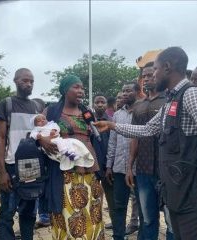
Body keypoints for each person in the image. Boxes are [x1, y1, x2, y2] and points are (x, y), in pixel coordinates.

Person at [95, 47, 197, 240]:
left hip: (195, 190)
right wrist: (112, 125)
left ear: (167, 67)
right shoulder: (172, 99)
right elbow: (148, 130)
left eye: (155, 69)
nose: (151, 76)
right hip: (179, 187)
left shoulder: (191, 94)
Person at [39, 75, 104, 239]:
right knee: (69, 214)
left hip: (90, 170)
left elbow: (96, 137)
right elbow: (37, 132)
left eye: (82, 88)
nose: (81, 91)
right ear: (64, 90)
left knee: (92, 213)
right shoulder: (52, 111)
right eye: (76, 87)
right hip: (65, 172)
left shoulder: (87, 112)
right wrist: (42, 139)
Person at [125, 61, 173, 240]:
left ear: (160, 74)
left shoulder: (170, 100)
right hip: (144, 169)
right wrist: (130, 166)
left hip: (168, 170)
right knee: (147, 219)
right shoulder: (139, 105)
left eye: (151, 74)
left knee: (171, 220)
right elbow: (135, 137)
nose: (146, 78)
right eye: (143, 76)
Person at [0, 68, 44, 240]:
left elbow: (40, 133)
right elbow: (0, 138)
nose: (29, 84)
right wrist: (2, 172)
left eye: (31, 81)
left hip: (32, 167)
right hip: (11, 165)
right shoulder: (6, 103)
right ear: (16, 81)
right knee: (7, 212)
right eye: (25, 80)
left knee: (29, 212)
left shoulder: (36, 106)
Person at [106, 81, 143, 240]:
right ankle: (118, 236)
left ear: (137, 91)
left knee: (143, 207)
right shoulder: (117, 115)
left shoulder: (143, 110)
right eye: (123, 91)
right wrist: (109, 165)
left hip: (140, 169)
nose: (125, 94)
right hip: (120, 168)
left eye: (129, 90)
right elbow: (112, 142)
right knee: (119, 206)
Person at [30, 113, 94, 170]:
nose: (42, 120)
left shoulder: (84, 110)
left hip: (59, 140)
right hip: (51, 147)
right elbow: (32, 135)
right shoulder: (37, 128)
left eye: (44, 119)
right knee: (59, 145)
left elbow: (56, 127)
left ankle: (71, 153)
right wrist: (40, 138)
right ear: (35, 124)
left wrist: (54, 130)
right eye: (39, 121)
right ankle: (66, 153)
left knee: (70, 142)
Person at [92, 93, 115, 230]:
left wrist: (110, 166)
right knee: (94, 199)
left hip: (108, 168)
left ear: (107, 104)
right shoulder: (87, 121)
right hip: (93, 167)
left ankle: (115, 223)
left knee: (112, 200)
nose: (100, 104)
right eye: (97, 102)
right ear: (93, 104)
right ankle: (96, 224)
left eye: (102, 102)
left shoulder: (112, 121)